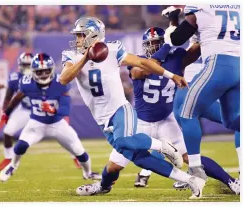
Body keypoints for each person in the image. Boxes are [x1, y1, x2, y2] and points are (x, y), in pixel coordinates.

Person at [60, 16, 205, 199]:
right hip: (102, 118)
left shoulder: (113, 48)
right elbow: (64, 78)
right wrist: (85, 57)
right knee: (138, 159)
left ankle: (163, 146)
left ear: (93, 35)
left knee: (123, 143)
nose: (78, 39)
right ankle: (191, 180)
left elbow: (143, 63)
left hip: (121, 110)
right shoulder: (71, 55)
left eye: (81, 35)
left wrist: (171, 75)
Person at [131, 25, 239, 195]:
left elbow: (195, 50)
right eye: (149, 44)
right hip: (142, 122)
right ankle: (128, 178)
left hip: (166, 121)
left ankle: (232, 182)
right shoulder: (140, 61)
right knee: (124, 159)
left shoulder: (176, 59)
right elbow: (142, 70)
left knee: (189, 157)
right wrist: (166, 44)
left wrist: (197, 32)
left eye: (156, 43)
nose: (152, 47)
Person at [167, 5, 240, 196]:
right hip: (240, 64)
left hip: (218, 64)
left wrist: (174, 18)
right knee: (234, 121)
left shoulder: (199, 5)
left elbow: (177, 39)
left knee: (186, 112)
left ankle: (195, 170)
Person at [0, 53, 101, 182]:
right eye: (40, 71)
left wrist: (53, 110)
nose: (44, 74)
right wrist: (6, 113)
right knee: (20, 146)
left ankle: (88, 173)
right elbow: (17, 98)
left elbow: (65, 107)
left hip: (57, 124)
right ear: (33, 71)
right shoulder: (27, 83)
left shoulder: (60, 82)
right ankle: (12, 165)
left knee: (79, 151)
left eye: (46, 70)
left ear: (52, 69)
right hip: (36, 123)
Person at [0, 52, 34, 171]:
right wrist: (4, 113)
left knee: (62, 134)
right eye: (25, 65)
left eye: (29, 65)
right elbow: (8, 97)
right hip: (24, 110)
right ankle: (8, 158)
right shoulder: (15, 78)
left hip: (41, 110)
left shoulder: (42, 76)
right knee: (8, 131)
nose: (27, 68)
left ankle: (77, 156)